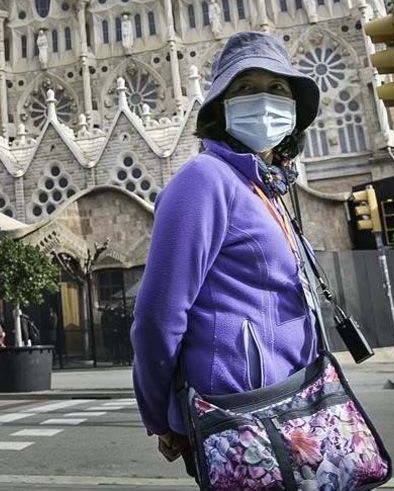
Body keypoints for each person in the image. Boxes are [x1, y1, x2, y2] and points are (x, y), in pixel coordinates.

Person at [130, 31, 323, 476]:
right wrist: (161, 416)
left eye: (277, 88)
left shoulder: (265, 188)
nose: (263, 98)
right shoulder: (204, 180)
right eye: (245, 87)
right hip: (240, 416)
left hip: (293, 405)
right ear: (221, 106)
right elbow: (158, 316)